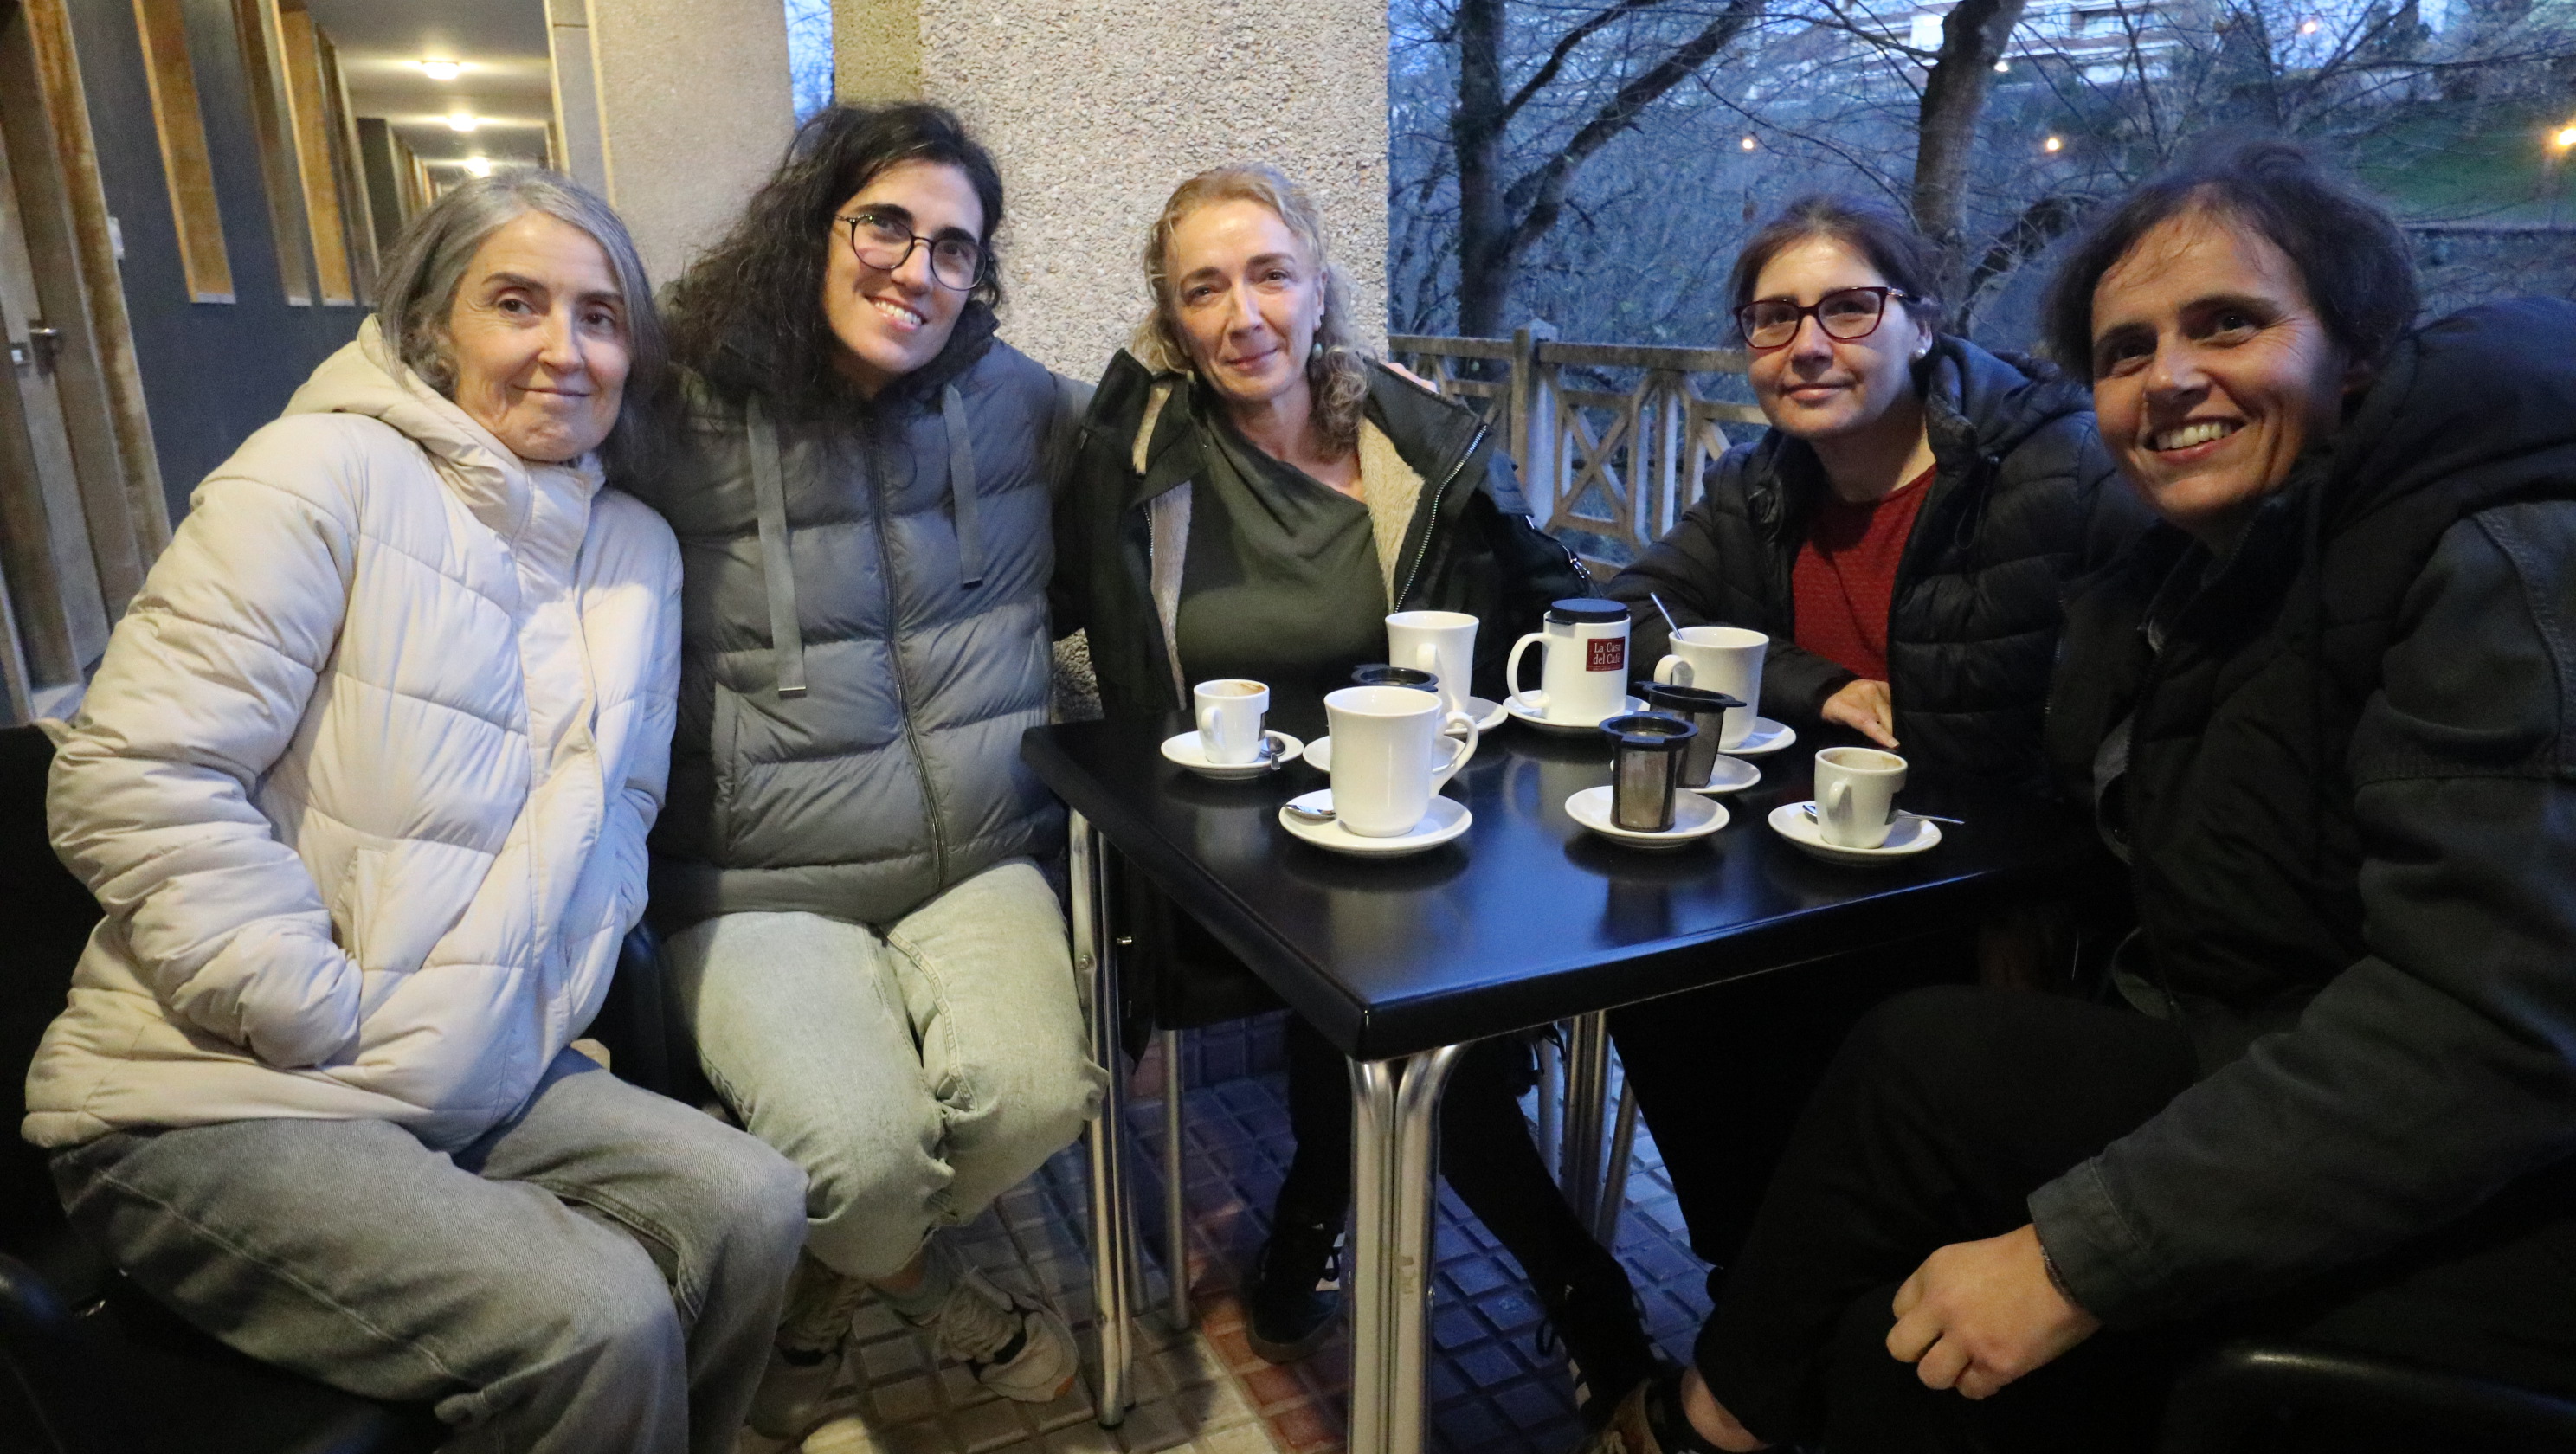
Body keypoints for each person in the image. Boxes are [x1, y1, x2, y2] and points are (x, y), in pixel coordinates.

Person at [1581, 141, 2576, 1454]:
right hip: (2164, 984)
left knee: (1883, 1155)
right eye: (2127, 351)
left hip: (2432, 1137)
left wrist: (2074, 1253)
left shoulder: (2447, 551)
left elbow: (2490, 1015)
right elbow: (1634, 604)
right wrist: (1817, 683)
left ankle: (1719, 1397)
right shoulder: (2199, 549)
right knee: (1701, 994)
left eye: (2230, 324)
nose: (2171, 379)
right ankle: (1746, 1332)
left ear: (2356, 349)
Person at [25, 172, 807, 1454]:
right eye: (518, 304)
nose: (566, 349)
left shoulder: (634, 550)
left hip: (478, 1064)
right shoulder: (317, 475)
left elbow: (624, 801)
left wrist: (543, 988)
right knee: (596, 1319)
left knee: (753, 1203)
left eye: (601, 316)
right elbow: (132, 773)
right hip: (220, 1089)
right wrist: (307, 1006)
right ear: (435, 324)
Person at [1052, 162, 1654, 1412]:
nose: (1244, 317)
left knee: (1413, 1001)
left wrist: (1700, 672)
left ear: (1320, 283)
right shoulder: (1141, 461)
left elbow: (1554, 592)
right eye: (1203, 290)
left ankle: (1312, 1214)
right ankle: (1587, 1299)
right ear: (1170, 319)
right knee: (1409, 1023)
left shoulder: (1410, 443)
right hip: (1224, 849)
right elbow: (1035, 578)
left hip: (1418, 826)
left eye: (1271, 275)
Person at [628, 103, 1103, 1441]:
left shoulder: (1014, 404)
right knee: (857, 1162)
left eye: (955, 248)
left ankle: (831, 1290)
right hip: (753, 882)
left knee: (1040, 1102)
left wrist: (1356, 408)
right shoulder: (674, 411)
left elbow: (1181, 440)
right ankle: (932, 1294)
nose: (917, 270)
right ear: (812, 225)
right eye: (885, 225)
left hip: (980, 858)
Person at [1601, 195, 2141, 1271]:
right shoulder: (1762, 483)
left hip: (1985, 902)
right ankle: (1754, 1276)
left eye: (1848, 309)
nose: (1808, 345)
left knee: (1800, 1030)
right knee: (1649, 974)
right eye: (1774, 319)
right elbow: (1636, 609)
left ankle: (1813, 1285)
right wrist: (1818, 684)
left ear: (1922, 325)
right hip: (1814, 874)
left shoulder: (2051, 466)